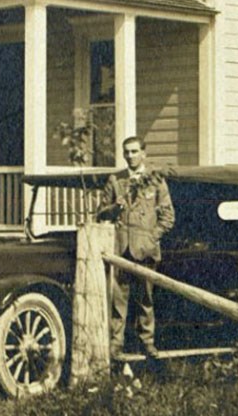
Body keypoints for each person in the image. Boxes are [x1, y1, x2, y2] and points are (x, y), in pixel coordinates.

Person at [96, 136, 175, 358]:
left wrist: (153, 236)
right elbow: (100, 213)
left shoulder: (155, 181)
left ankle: (147, 342)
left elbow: (168, 216)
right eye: (126, 152)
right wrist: (114, 207)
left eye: (134, 151)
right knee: (117, 300)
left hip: (145, 250)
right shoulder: (116, 181)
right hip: (120, 249)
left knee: (145, 299)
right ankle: (115, 344)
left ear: (144, 153)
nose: (130, 156)